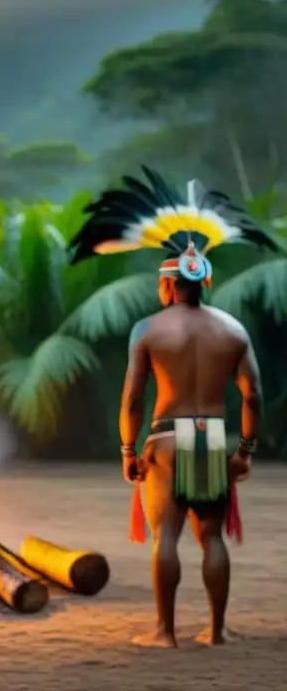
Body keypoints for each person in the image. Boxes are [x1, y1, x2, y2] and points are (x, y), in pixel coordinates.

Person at [68, 167, 280, 649]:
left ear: (168, 286)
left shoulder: (149, 329)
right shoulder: (232, 330)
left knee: (167, 537)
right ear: (202, 284)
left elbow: (132, 398)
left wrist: (127, 449)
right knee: (212, 537)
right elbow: (253, 396)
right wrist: (244, 449)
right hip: (211, 435)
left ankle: (165, 632)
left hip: (166, 438)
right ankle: (218, 630)